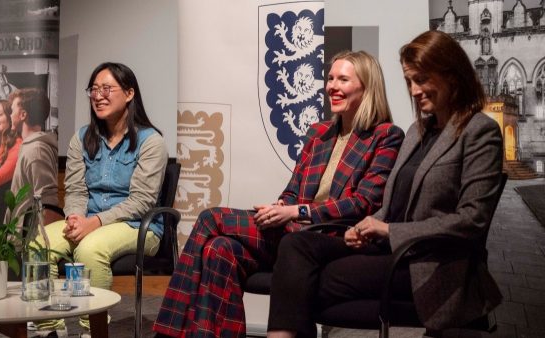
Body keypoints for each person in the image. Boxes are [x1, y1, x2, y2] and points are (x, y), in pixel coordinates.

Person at [267, 30, 504, 338]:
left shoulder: (480, 132)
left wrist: (390, 230)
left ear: (452, 76)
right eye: (409, 81)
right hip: (391, 251)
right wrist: (366, 225)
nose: (414, 90)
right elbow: (392, 206)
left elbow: (472, 220)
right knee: (297, 245)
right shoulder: (416, 132)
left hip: (434, 264)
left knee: (309, 280)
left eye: (421, 79)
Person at [153, 50, 405, 337]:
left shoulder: (386, 136)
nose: (332, 86)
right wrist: (280, 206)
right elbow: (293, 189)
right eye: (330, 78)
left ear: (367, 87)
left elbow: (363, 203)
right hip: (291, 229)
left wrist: (296, 211)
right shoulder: (318, 133)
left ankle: (167, 332)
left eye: (343, 79)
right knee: (218, 250)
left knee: (211, 218)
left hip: (330, 238)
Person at [36, 62, 167, 335]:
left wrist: (94, 222)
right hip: (88, 219)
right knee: (39, 244)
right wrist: (74, 217)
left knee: (89, 249)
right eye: (93, 90)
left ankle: (92, 330)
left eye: (106, 88)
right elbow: (75, 189)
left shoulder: (151, 141)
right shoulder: (82, 138)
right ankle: (49, 329)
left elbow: (141, 202)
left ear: (129, 93)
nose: (98, 96)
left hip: (136, 225)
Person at [7, 88, 63, 227]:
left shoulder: (36, 150)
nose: (10, 115)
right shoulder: (29, 147)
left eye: (12, 110)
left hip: (28, 243)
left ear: (23, 115)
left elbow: (47, 203)